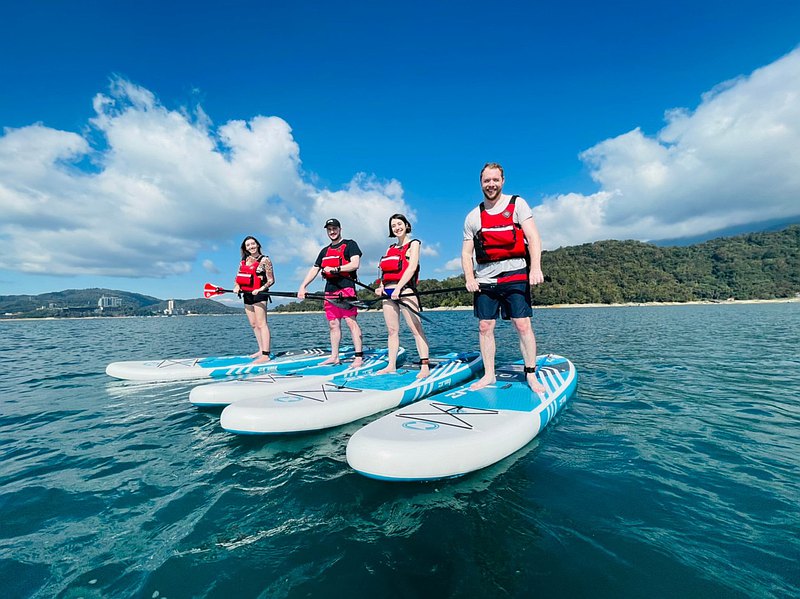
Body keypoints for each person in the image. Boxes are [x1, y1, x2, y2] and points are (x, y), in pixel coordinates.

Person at [461, 162, 546, 393]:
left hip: (515, 274)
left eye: (495, 180)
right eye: (487, 180)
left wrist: (535, 268)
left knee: (522, 324)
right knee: (485, 326)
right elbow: (466, 252)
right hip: (486, 280)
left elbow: (534, 238)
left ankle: (531, 374)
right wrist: (470, 277)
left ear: (502, 181)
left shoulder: (518, 204)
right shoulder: (472, 217)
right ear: (481, 183)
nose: (491, 185)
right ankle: (489, 375)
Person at [297, 218, 364, 366]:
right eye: (329, 229)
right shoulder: (324, 251)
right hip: (330, 291)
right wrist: (303, 286)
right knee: (333, 324)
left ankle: (358, 356)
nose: (332, 231)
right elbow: (314, 269)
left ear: (340, 229)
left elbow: (355, 264)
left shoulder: (350, 244)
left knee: (350, 322)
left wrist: (336, 269)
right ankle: (335, 356)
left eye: (334, 228)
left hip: (346, 288)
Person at [375, 214, 430, 378]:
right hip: (388, 293)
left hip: (405, 290)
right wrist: (381, 287)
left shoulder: (414, 244)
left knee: (416, 328)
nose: (397, 228)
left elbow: (411, 267)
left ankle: (425, 366)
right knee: (392, 331)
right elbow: (384, 272)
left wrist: (399, 288)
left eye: (399, 224)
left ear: (406, 225)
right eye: (393, 226)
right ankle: (391, 365)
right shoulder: (389, 248)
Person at [232, 235, 275, 364]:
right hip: (247, 294)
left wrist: (261, 289)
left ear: (257, 245)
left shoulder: (265, 260)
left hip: (260, 293)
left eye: (253, 244)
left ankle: (266, 354)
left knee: (262, 324)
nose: (251, 246)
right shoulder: (243, 262)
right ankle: (261, 350)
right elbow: (238, 278)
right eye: (248, 245)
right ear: (245, 248)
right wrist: (237, 286)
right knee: (254, 324)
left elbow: (271, 280)